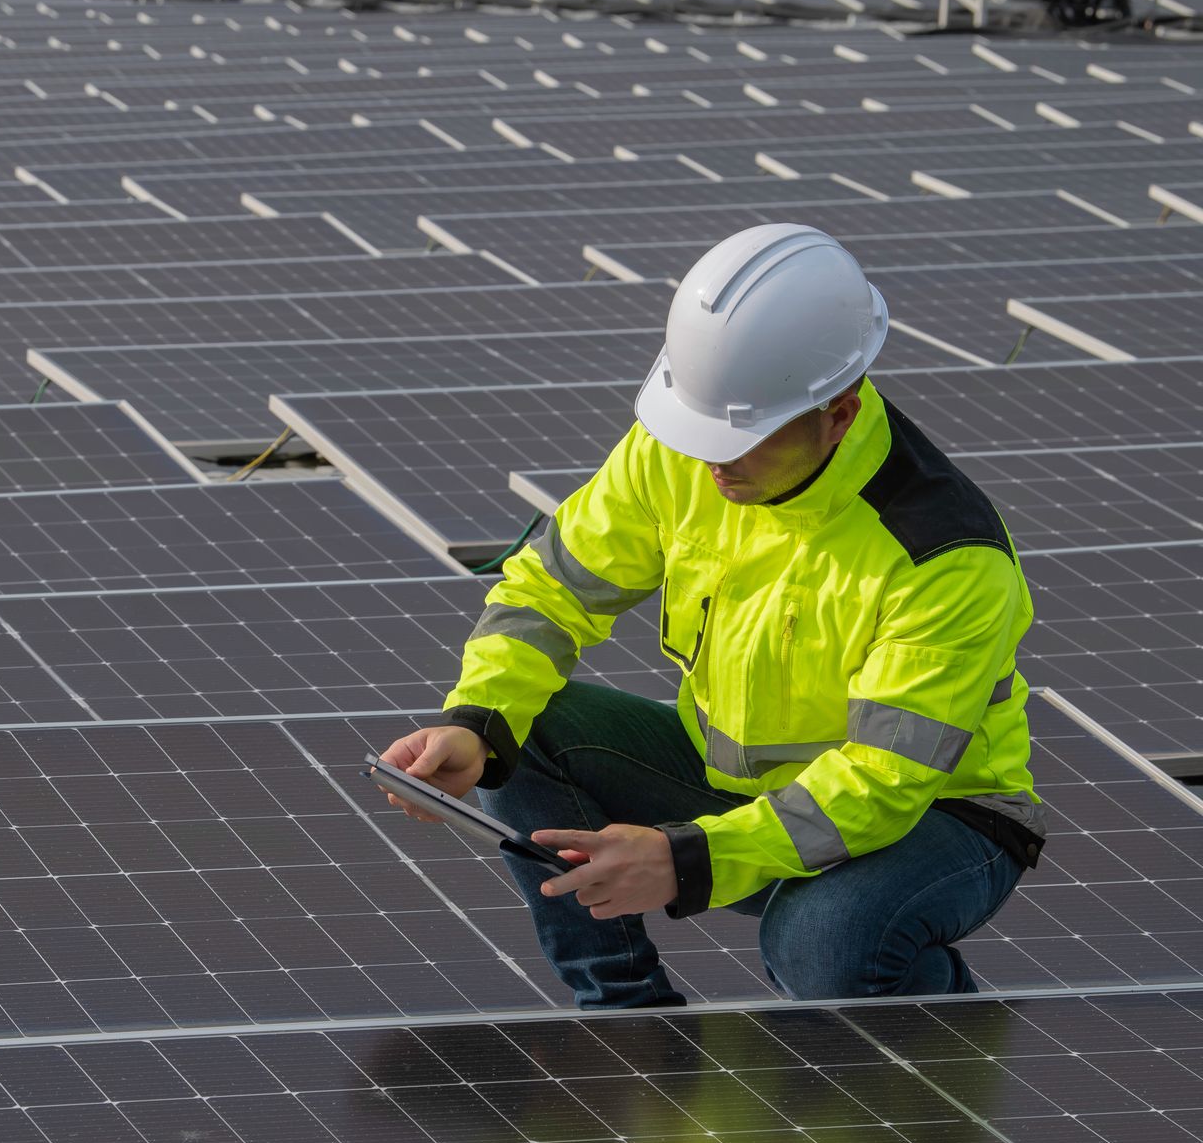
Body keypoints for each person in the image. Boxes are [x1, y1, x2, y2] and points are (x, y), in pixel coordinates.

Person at [379, 222, 1045, 1008]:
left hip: (932, 819)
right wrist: (475, 723)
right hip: (742, 791)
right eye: (703, 431)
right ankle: (629, 1020)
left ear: (839, 409)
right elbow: (547, 589)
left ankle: (941, 1038)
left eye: (748, 436)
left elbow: (883, 781)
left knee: (822, 941)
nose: (716, 461)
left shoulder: (942, 553)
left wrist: (688, 858)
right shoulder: (683, 450)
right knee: (523, 734)